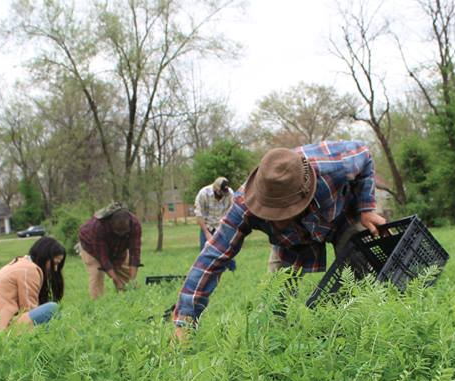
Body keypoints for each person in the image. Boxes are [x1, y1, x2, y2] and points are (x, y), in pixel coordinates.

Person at [172, 140, 386, 336]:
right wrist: (185, 320)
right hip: (290, 244)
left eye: (283, 212)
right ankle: (276, 346)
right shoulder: (243, 206)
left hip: (341, 218)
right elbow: (212, 257)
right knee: (275, 305)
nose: (277, 220)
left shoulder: (333, 165)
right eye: (269, 212)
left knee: (362, 268)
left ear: (305, 192)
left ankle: (357, 329)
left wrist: (366, 208)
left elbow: (365, 154)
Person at [0, 236, 65, 343]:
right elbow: (29, 311)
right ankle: (52, 348)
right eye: (55, 263)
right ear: (44, 256)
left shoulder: (20, 264)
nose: (56, 269)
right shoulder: (29, 270)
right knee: (53, 309)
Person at [78, 202, 141, 299]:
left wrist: (133, 279)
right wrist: (116, 280)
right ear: (111, 223)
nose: (121, 235)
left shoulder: (135, 224)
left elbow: (135, 253)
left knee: (128, 277)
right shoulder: (98, 226)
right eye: (118, 232)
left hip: (118, 248)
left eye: (124, 232)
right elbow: (103, 259)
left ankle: (130, 302)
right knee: (97, 273)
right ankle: (98, 305)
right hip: (91, 248)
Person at [194, 176, 236, 271]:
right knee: (205, 252)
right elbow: (199, 214)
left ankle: (232, 272)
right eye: (221, 192)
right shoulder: (203, 193)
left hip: (222, 226)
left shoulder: (230, 194)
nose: (223, 194)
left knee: (228, 251)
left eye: (225, 192)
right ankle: (205, 271)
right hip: (207, 225)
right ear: (215, 189)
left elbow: (232, 211)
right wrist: (207, 233)